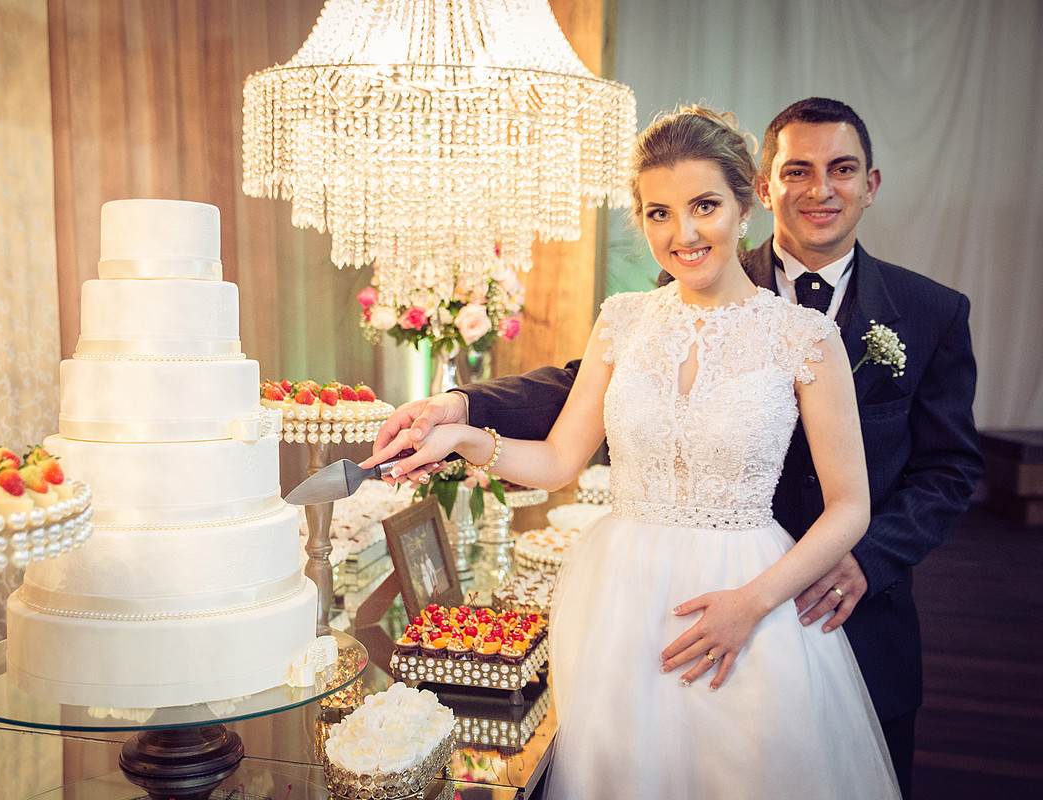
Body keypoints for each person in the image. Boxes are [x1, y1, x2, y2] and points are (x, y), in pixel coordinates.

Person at [368, 97, 982, 798]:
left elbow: (850, 507)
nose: (683, 233)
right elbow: (561, 461)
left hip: (752, 595)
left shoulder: (802, 335)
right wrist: (463, 436)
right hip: (622, 600)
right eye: (658, 213)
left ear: (745, 202)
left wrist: (751, 604)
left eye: (704, 207)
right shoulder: (622, 320)